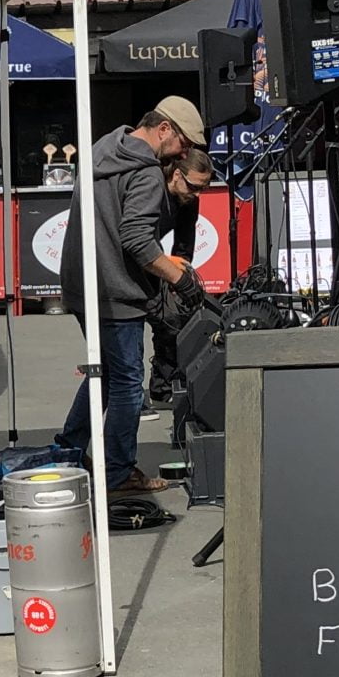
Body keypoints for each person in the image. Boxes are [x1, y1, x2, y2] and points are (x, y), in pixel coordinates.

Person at [56, 95, 207, 495]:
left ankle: (69, 451)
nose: (184, 153)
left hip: (82, 283)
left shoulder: (103, 147)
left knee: (104, 373)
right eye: (184, 143)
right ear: (164, 129)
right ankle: (118, 473)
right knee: (126, 382)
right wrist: (180, 280)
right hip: (115, 290)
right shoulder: (147, 173)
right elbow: (137, 240)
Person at [147, 146, 216, 404]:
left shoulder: (189, 199)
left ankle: (164, 385)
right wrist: (167, 265)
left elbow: (184, 244)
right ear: (176, 174)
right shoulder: (151, 190)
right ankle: (129, 398)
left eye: (203, 188)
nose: (197, 193)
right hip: (128, 260)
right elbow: (139, 239)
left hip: (155, 258)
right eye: (194, 186)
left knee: (173, 317)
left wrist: (180, 278)